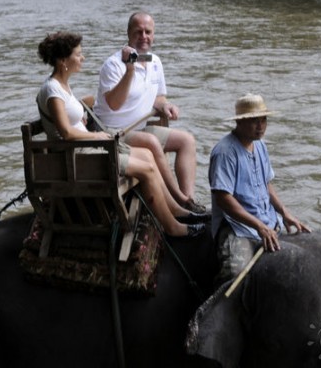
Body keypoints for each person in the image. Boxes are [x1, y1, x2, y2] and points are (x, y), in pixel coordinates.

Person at [36, 31, 206, 238]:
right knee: (147, 170)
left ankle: (177, 210)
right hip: (80, 156)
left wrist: (82, 112)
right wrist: (97, 136)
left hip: (87, 149)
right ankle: (173, 227)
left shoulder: (62, 86)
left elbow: (67, 116)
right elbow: (65, 132)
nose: (83, 58)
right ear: (63, 60)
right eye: (78, 54)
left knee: (148, 156)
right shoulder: (53, 89)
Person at [93, 12, 203, 213]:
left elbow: (159, 97)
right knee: (151, 142)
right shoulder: (113, 65)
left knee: (186, 140)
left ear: (154, 35)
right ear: (128, 34)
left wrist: (165, 106)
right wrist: (130, 69)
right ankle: (179, 201)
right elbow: (115, 105)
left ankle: (190, 199)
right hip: (112, 132)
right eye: (138, 32)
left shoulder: (155, 62)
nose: (144, 36)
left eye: (148, 32)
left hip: (139, 128)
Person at [209, 93, 311, 283]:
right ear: (239, 122)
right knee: (235, 274)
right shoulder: (225, 152)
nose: (261, 126)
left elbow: (266, 184)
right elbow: (223, 198)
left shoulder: (261, 146)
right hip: (237, 227)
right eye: (254, 121)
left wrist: (284, 212)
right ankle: (217, 308)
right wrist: (259, 226)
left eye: (263, 120)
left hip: (266, 220)